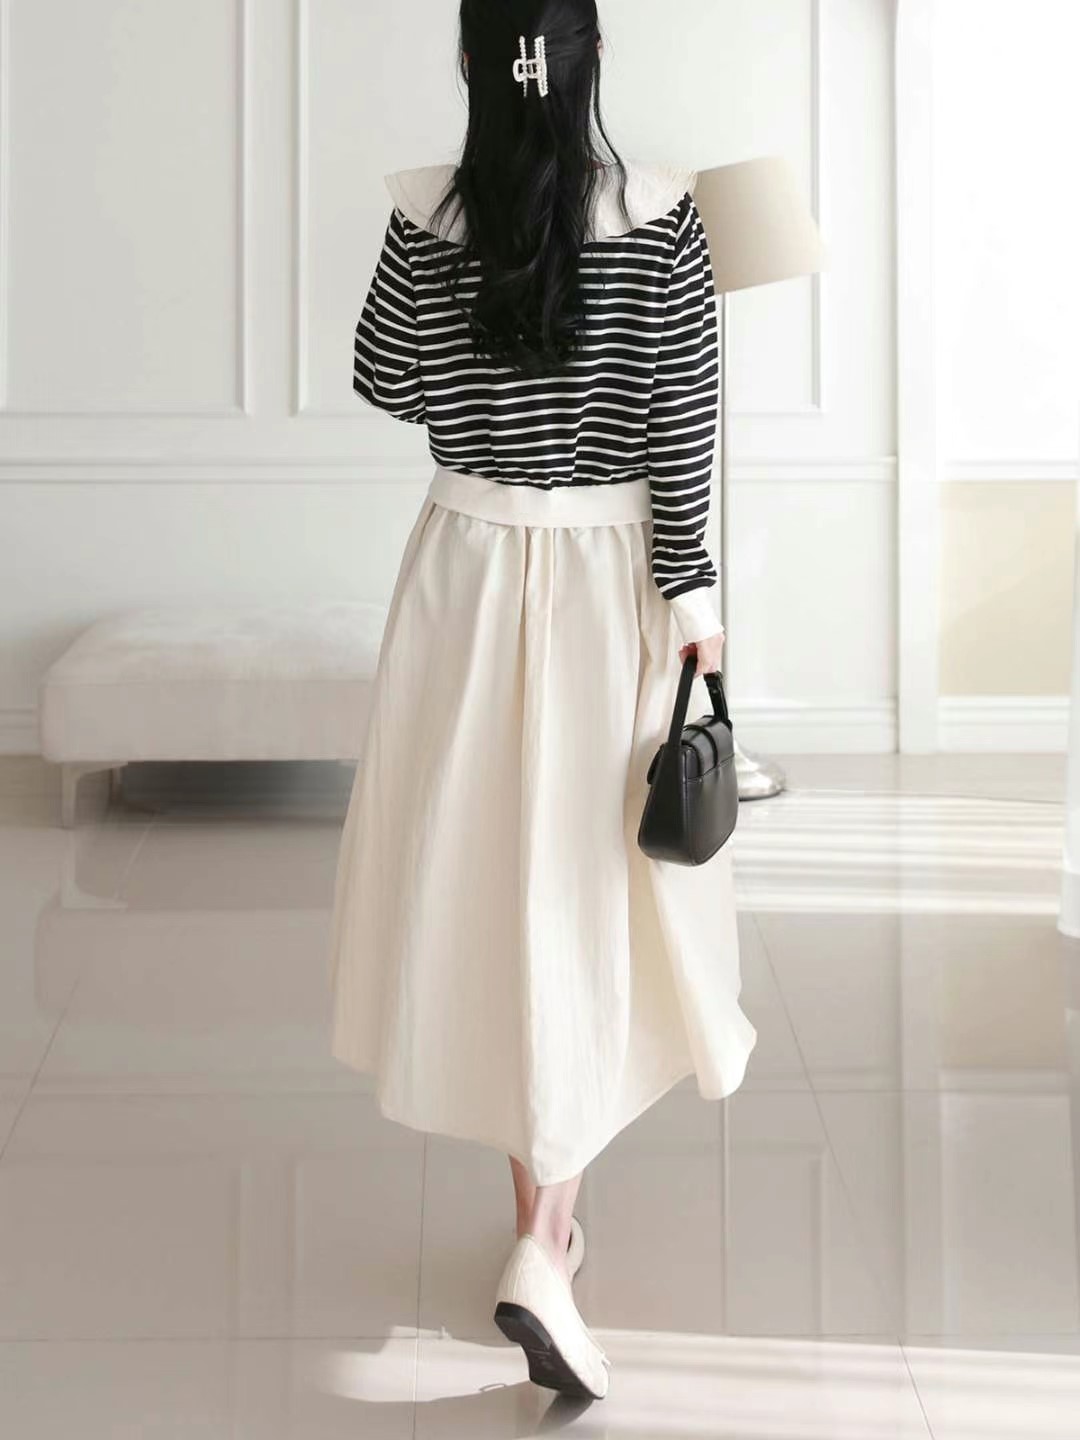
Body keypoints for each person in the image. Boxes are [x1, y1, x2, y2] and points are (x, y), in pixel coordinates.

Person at [327, 0, 757, 1402]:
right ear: (592, 62)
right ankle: (544, 1243)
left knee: (500, 895)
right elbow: (681, 428)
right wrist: (694, 603)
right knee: (579, 898)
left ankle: (548, 1233)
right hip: (606, 584)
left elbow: (384, 378)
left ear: (473, 65)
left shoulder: (431, 217)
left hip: (463, 572)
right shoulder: (663, 217)